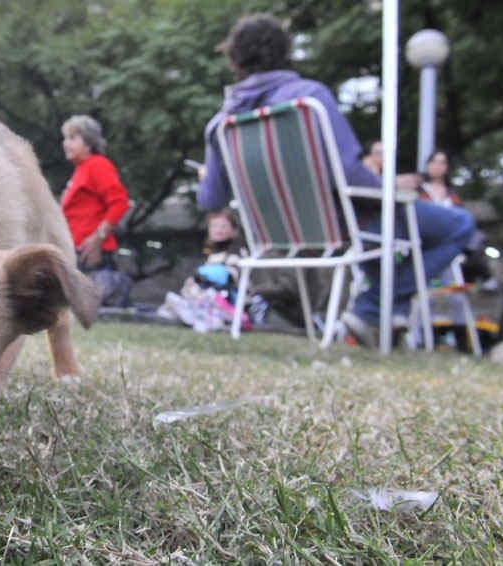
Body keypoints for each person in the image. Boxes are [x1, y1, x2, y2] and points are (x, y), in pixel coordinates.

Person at [197, 14, 476, 348]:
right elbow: (348, 174)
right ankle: (374, 309)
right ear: (285, 52)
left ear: (234, 58)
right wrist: (388, 188)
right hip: (345, 225)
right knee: (459, 225)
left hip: (278, 235)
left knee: (385, 242)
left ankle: (383, 316)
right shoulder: (308, 98)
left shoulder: (221, 124)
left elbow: (209, 199)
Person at [60, 114, 132, 307]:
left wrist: (97, 238)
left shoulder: (98, 165)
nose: (66, 144)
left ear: (88, 142)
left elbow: (120, 202)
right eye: (65, 138)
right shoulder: (81, 169)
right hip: (77, 249)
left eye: (73, 138)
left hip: (92, 252)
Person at [158, 209, 246, 331]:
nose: (218, 230)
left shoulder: (237, 251)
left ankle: (203, 316)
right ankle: (191, 312)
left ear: (233, 230)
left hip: (227, 300)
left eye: (224, 226)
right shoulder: (210, 253)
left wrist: (201, 278)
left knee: (203, 292)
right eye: (214, 226)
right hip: (206, 295)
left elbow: (229, 278)